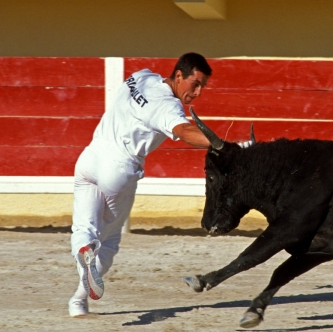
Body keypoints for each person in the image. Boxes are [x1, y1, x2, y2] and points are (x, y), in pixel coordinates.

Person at [68, 53, 246, 317]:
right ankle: (86, 269)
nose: (197, 92)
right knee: (110, 240)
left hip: (89, 157)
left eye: (202, 87)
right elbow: (185, 132)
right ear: (178, 76)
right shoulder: (168, 107)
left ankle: (77, 301)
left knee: (84, 229)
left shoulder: (141, 76)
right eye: (194, 84)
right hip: (118, 169)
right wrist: (229, 148)